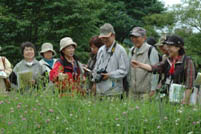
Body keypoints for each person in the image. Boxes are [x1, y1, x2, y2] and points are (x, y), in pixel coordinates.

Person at [131, 35, 196, 104]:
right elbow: (155, 68)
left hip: (180, 98)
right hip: (165, 98)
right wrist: (140, 65)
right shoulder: (167, 60)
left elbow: (189, 84)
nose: (167, 49)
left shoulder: (187, 61)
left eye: (170, 47)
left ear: (178, 48)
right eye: (167, 46)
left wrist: (185, 100)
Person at [93, 23, 129, 97]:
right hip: (100, 90)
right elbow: (96, 67)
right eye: (103, 38)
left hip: (114, 92)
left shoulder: (120, 50)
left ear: (113, 35)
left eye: (107, 37)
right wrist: (94, 81)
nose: (105, 40)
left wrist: (109, 75)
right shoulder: (101, 50)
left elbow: (124, 70)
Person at [128, 27, 159, 100]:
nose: (134, 39)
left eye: (136, 37)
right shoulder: (132, 50)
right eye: (132, 37)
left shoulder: (151, 50)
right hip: (133, 92)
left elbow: (155, 71)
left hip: (146, 92)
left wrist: (153, 89)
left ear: (144, 38)